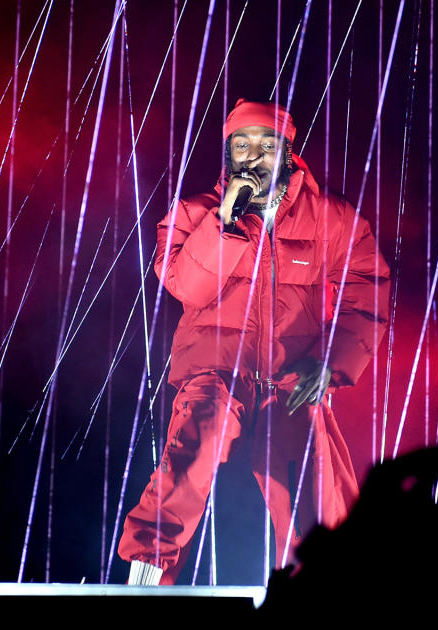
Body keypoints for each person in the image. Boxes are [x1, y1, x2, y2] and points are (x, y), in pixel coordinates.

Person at [118, 99, 389, 585]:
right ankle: (146, 572)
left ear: (288, 152)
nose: (253, 156)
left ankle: (344, 582)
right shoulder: (192, 214)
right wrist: (223, 222)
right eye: (241, 144)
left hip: (291, 375)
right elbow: (185, 286)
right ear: (227, 153)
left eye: (267, 145)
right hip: (216, 370)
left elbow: (368, 287)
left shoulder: (330, 218)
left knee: (313, 480)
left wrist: (331, 361)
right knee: (195, 446)